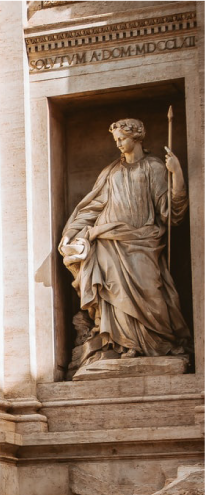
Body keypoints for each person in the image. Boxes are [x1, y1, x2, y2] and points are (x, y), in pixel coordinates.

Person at [59, 118, 190, 365]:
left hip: (143, 240)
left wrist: (177, 174)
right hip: (108, 242)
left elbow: (171, 212)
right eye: (116, 140)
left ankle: (158, 343)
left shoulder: (154, 167)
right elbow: (92, 208)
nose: (118, 143)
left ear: (137, 137)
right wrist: (71, 233)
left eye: (122, 138)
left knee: (151, 293)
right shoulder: (111, 172)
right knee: (114, 293)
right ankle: (123, 345)